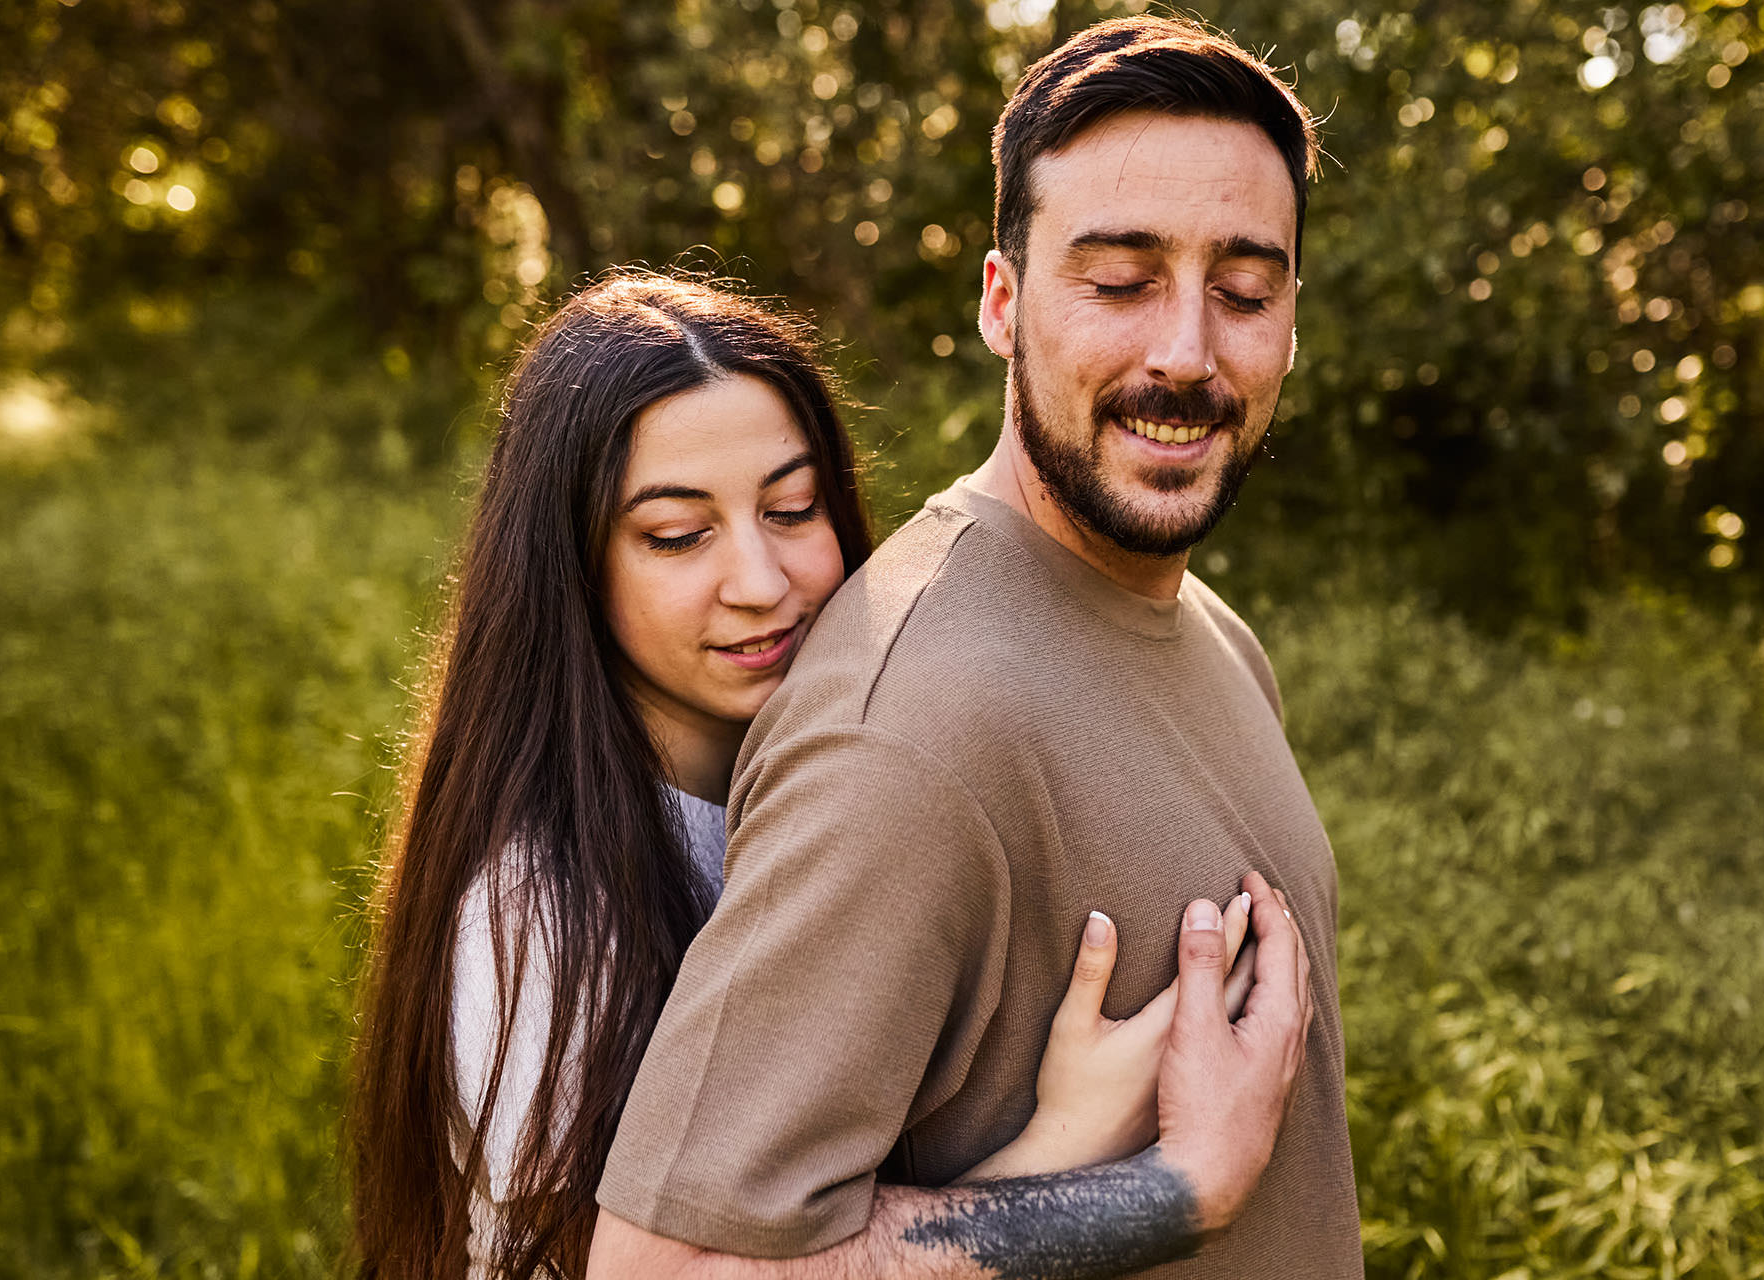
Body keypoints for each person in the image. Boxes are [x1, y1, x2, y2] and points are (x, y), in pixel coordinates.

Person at [588, 14, 1360, 1280]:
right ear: (1002, 303)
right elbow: (664, 1268)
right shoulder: (906, 724)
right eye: (1118, 280)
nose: (1185, 350)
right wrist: (1170, 1191)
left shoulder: (1214, 631)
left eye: (1243, 290)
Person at [347, 272, 1281, 1280]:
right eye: (677, 533)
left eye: (792, 509)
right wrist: (1065, 1150)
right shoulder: (538, 915)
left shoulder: (860, 792)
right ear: (571, 564)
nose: (760, 580)